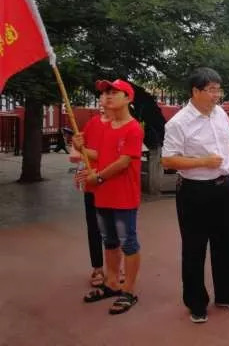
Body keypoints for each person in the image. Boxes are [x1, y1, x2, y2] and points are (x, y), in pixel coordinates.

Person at [162, 68, 229, 323]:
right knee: (194, 248)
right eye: (211, 89)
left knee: (225, 244)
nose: (216, 95)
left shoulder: (220, 114)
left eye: (218, 89)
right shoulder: (179, 123)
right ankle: (196, 302)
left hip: (223, 189)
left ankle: (225, 294)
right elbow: (168, 159)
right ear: (195, 91)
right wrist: (203, 162)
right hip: (194, 192)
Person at [76, 79, 144, 315]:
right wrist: (80, 147)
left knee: (128, 242)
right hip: (102, 194)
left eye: (115, 93)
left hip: (123, 195)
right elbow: (100, 154)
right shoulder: (106, 126)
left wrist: (99, 177)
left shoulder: (133, 128)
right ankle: (112, 283)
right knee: (110, 241)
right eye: (107, 93)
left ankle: (130, 290)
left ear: (128, 98)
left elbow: (124, 161)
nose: (109, 96)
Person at [73, 92, 111, 288]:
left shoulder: (127, 126)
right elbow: (80, 149)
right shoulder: (93, 123)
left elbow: (121, 158)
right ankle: (97, 267)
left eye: (110, 95)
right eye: (103, 96)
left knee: (116, 228)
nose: (105, 100)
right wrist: (77, 146)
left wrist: (99, 169)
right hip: (91, 184)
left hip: (113, 184)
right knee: (94, 227)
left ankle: (116, 267)